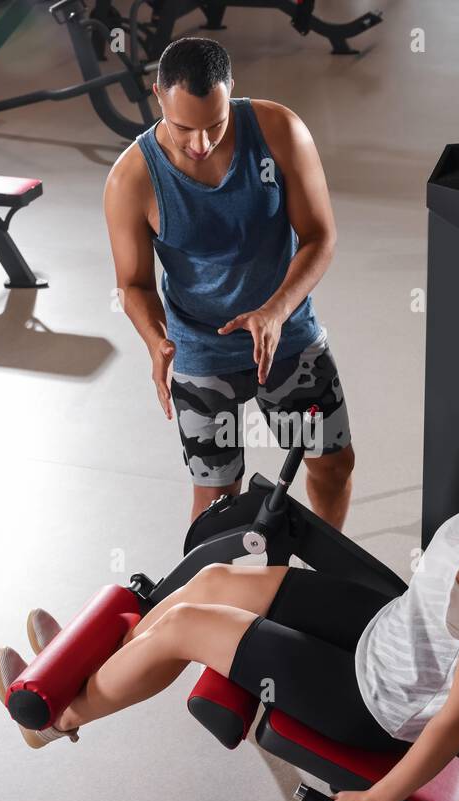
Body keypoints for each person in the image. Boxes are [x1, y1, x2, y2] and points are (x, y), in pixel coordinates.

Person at [0, 363, 459, 801]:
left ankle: (55, 718)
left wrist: (379, 800)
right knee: (210, 582)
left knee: (185, 623)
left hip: (375, 702)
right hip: (390, 632)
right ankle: (86, 668)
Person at [103, 36, 355, 528]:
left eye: (214, 125)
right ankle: (189, 603)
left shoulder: (279, 129)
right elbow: (133, 284)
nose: (200, 144)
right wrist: (157, 342)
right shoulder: (131, 179)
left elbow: (320, 236)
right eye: (183, 128)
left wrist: (276, 310)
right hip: (200, 346)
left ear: (231, 92)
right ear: (158, 95)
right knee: (218, 496)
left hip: (287, 332)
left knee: (332, 463)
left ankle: (322, 582)